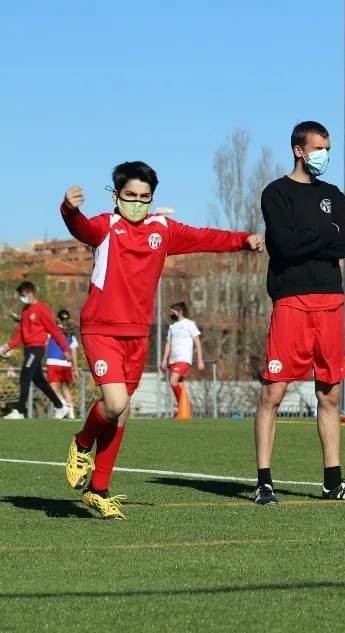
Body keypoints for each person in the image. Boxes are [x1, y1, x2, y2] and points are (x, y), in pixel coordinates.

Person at [61, 161, 264, 519]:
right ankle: (81, 444)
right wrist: (69, 208)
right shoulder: (105, 227)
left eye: (144, 197)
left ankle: (98, 489)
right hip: (101, 328)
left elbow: (204, 237)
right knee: (114, 402)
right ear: (117, 195)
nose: (137, 203)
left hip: (138, 335)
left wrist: (241, 241)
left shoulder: (162, 229)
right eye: (130, 196)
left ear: (152, 198)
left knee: (122, 413)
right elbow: (80, 228)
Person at [254, 121, 345, 505]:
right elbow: (285, 249)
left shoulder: (332, 194)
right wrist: (327, 233)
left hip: (330, 299)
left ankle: (333, 482)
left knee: (331, 394)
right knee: (274, 392)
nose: (324, 155)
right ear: (299, 150)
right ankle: (264, 482)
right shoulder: (276, 193)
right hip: (291, 299)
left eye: (328, 148)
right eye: (319, 148)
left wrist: (314, 238)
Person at [0, 282, 70, 420]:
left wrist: (65, 349)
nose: (21, 298)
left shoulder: (42, 309)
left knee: (25, 376)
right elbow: (20, 334)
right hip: (27, 349)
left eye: (23, 295)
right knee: (39, 381)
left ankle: (19, 410)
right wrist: (9, 346)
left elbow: (53, 330)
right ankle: (60, 406)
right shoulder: (25, 311)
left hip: (36, 349)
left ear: (30, 293)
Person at [161, 301, 203, 410]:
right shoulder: (172, 327)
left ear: (180, 312)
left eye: (173, 311)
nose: (171, 313)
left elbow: (197, 342)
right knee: (179, 384)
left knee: (172, 381)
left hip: (183, 358)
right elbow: (168, 343)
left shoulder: (189, 324)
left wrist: (200, 360)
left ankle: (183, 407)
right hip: (173, 360)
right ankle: (183, 410)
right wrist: (165, 359)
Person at [47, 309, 80, 420]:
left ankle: (63, 405)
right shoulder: (70, 334)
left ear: (57, 319)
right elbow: (74, 354)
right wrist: (75, 369)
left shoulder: (52, 330)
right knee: (65, 388)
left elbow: (45, 342)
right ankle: (71, 414)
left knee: (52, 386)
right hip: (66, 364)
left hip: (53, 362)